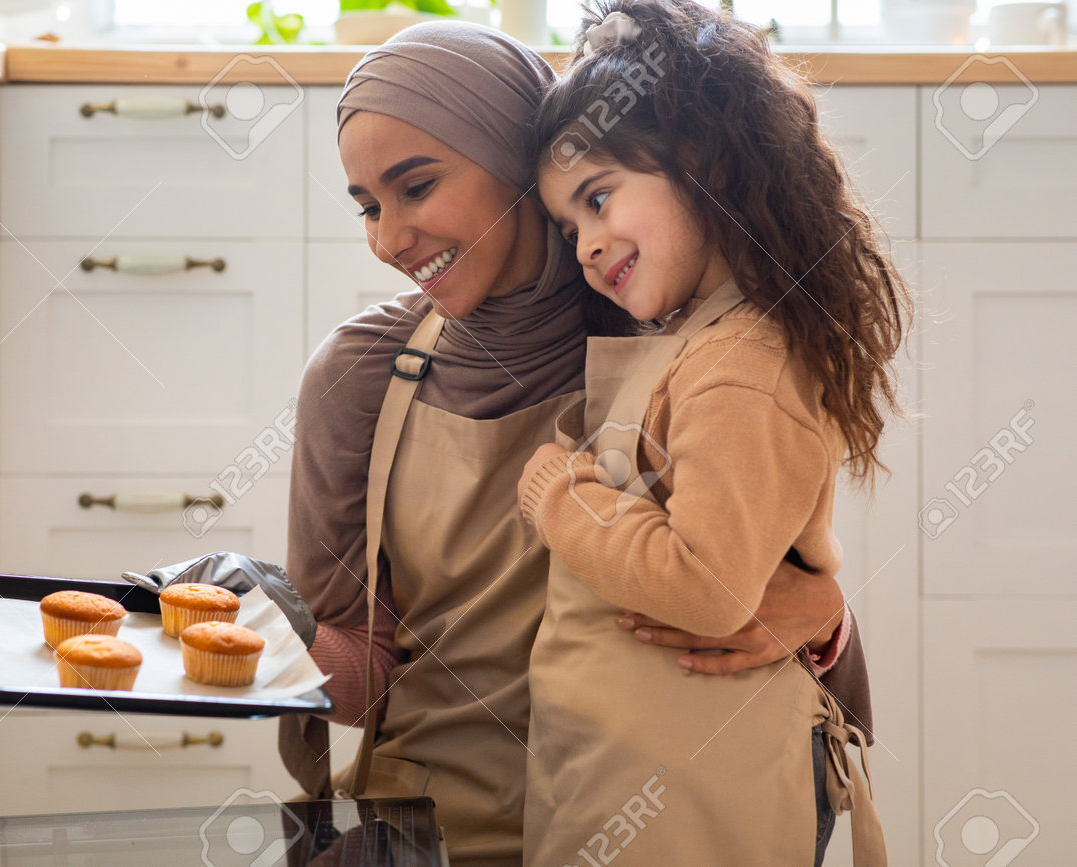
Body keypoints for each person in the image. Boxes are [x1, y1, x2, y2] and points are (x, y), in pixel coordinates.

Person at [277, 19, 873, 866]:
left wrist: (825, 617)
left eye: (416, 187)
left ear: (520, 166)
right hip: (439, 831)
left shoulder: (674, 331)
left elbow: (746, 572)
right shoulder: (360, 375)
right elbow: (362, 667)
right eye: (369, 205)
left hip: (659, 822)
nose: (387, 237)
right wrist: (265, 636)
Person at [516, 2, 908, 864]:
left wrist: (560, 493)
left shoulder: (741, 362)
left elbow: (708, 586)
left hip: (700, 796)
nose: (584, 244)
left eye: (599, 197)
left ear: (705, 163)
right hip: (630, 781)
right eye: (568, 225)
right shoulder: (697, 338)